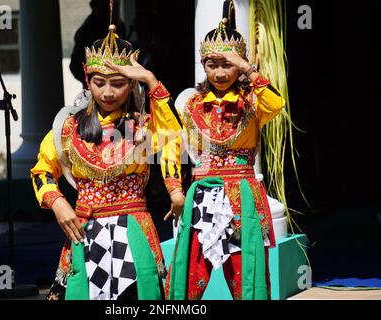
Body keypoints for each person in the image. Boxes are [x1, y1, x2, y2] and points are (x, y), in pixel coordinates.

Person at [30, 20, 184, 300]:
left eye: (118, 83)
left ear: (131, 84)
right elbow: (41, 170)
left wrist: (150, 80)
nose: (108, 93)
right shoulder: (69, 128)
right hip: (85, 231)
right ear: (88, 80)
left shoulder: (144, 127)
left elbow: (175, 136)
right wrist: (59, 203)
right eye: (99, 83)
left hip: (134, 231)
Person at [163, 0, 285, 300]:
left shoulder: (253, 101)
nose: (219, 73)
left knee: (248, 276)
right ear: (203, 65)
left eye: (227, 64)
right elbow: (168, 147)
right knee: (190, 275)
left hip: (243, 197)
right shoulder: (190, 105)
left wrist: (248, 69)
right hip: (202, 195)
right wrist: (175, 191)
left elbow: (276, 104)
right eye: (212, 64)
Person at [69, 0, 126, 88]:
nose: (111, 7)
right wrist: (95, 84)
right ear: (94, 5)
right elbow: (75, 65)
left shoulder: (119, 26)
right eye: (107, 5)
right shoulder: (87, 31)